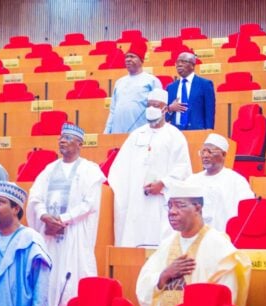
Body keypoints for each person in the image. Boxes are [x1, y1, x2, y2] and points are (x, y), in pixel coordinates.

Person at [136, 181, 252, 306]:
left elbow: (227, 299)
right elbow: (144, 283)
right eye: (170, 206)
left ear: (198, 207)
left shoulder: (219, 247)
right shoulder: (167, 244)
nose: (172, 212)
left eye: (180, 206)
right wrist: (164, 275)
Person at [26, 123, 106, 306]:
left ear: (80, 144)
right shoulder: (49, 169)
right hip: (49, 236)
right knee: (49, 284)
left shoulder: (90, 171)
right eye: (61, 137)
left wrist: (62, 220)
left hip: (74, 237)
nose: (62, 141)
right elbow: (35, 197)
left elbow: (89, 204)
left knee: (71, 284)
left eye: (68, 138)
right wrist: (44, 216)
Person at [108, 89, 192, 247]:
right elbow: (120, 169)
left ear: (165, 109)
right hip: (136, 201)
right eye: (149, 105)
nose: (151, 109)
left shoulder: (174, 136)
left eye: (156, 105)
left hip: (161, 200)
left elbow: (183, 168)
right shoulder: (136, 135)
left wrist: (163, 184)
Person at [185, 134, 255, 232]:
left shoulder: (236, 181)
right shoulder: (192, 180)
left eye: (210, 151)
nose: (205, 155)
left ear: (223, 154)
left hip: (225, 237)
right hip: (196, 236)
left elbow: (247, 211)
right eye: (203, 151)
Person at [104, 40, 163, 134]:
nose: (128, 59)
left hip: (142, 133)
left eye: (132, 56)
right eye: (127, 57)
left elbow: (159, 110)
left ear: (141, 60)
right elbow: (112, 110)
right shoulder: (119, 82)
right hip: (117, 133)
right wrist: (106, 132)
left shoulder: (152, 81)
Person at [166, 52, 215, 130]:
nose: (179, 65)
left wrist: (208, 132)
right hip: (176, 133)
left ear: (193, 65)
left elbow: (209, 112)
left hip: (197, 131)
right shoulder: (171, 87)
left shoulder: (205, 84)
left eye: (183, 61)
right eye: (177, 62)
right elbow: (165, 117)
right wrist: (170, 109)